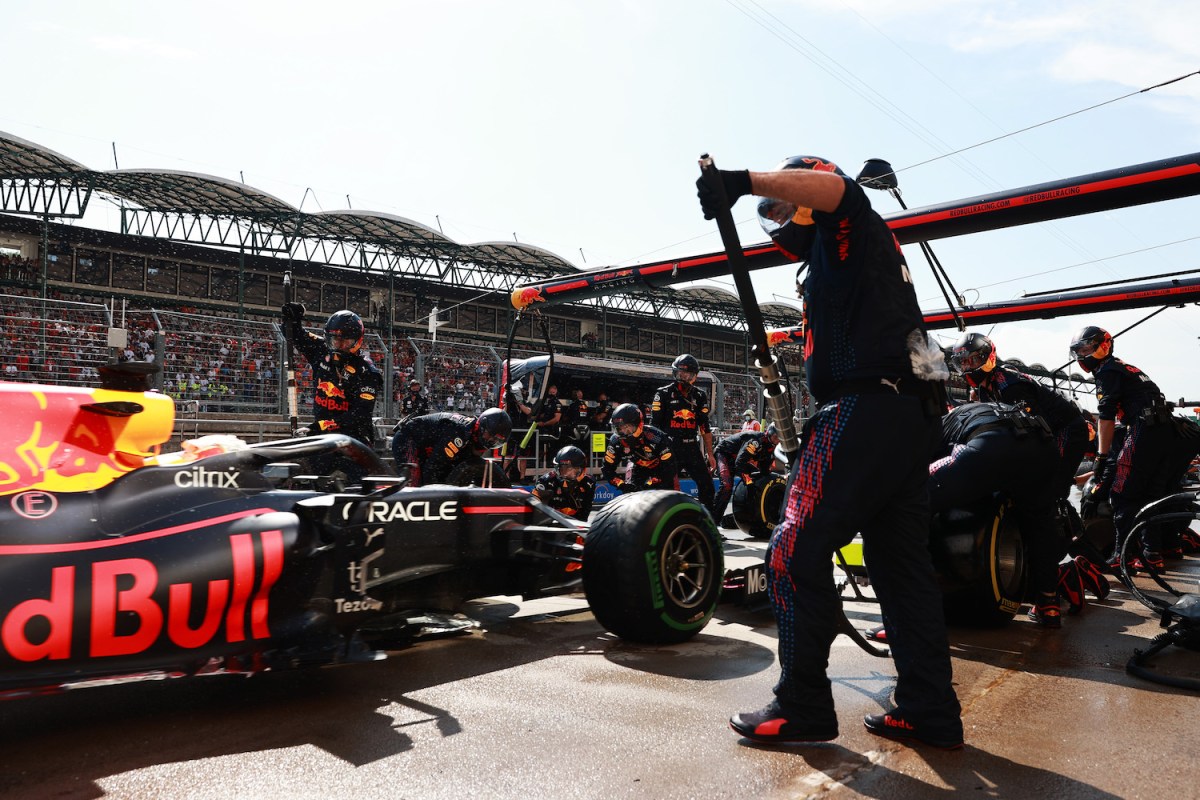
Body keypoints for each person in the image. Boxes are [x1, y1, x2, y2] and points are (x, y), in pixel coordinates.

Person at [698, 154, 962, 749]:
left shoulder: (849, 222)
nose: (776, 218)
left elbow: (839, 192)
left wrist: (742, 182)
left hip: (863, 410)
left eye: (782, 207)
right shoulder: (847, 255)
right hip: (906, 417)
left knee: (791, 551)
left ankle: (803, 705)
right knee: (902, 570)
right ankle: (930, 709)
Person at [1069, 325, 1200, 571]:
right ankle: (1155, 552)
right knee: (1153, 495)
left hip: (1145, 429)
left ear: (1103, 346)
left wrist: (1101, 456)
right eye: (1080, 350)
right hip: (1167, 432)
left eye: (1087, 349)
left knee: (1123, 495)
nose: (1083, 355)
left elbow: (1106, 417)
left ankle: (1123, 555)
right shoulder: (1128, 368)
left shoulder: (1107, 371)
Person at [930, 402, 1065, 626]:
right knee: (1041, 523)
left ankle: (909, 611)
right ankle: (1049, 604)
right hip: (1044, 448)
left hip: (992, 446)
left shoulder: (941, 423)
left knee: (912, 505)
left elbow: (923, 467)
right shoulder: (985, 407)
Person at [949, 332, 1090, 504]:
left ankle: (1060, 516)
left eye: (972, 360)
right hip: (1048, 430)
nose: (967, 367)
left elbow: (1040, 430)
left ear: (987, 357)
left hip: (1067, 428)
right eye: (962, 362)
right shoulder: (984, 390)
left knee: (1050, 486)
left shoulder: (1011, 387)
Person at [281, 303, 381, 448]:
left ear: (357, 340)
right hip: (323, 437)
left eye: (345, 341)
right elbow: (294, 335)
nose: (339, 345)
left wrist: (319, 427)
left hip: (354, 440)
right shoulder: (322, 350)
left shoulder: (367, 372)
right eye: (335, 340)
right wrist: (292, 318)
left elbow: (360, 416)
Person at [651, 354, 716, 514]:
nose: (682, 376)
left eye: (686, 374)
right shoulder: (663, 393)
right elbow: (654, 427)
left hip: (691, 447)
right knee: (665, 487)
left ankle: (707, 520)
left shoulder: (700, 396)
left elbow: (704, 427)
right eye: (680, 372)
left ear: (694, 376)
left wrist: (710, 454)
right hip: (670, 447)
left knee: (707, 485)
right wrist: (656, 452)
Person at [391, 407, 512, 487]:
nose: (491, 441)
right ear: (482, 426)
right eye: (489, 436)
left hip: (427, 448)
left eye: (496, 441)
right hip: (408, 438)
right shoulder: (460, 433)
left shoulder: (472, 437)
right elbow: (433, 467)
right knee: (414, 485)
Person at [600, 403, 678, 493]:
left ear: (638, 424)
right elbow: (607, 469)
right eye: (619, 428)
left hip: (661, 468)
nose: (624, 432)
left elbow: (670, 467)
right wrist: (622, 485)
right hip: (638, 467)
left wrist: (650, 484)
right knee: (631, 492)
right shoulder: (615, 441)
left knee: (671, 495)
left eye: (627, 427)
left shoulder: (657, 437)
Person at [711, 424, 780, 524]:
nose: (777, 440)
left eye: (780, 438)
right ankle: (713, 520)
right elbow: (740, 463)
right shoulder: (756, 442)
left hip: (738, 459)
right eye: (775, 437)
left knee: (757, 481)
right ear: (769, 434)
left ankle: (743, 515)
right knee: (727, 486)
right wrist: (748, 481)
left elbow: (764, 471)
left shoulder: (772, 448)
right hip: (724, 453)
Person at [532, 445, 597, 521]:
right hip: (549, 523)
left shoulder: (589, 483)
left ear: (581, 470)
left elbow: (584, 514)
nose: (566, 474)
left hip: (574, 523)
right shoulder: (546, 481)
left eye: (570, 470)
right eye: (562, 469)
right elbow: (532, 506)